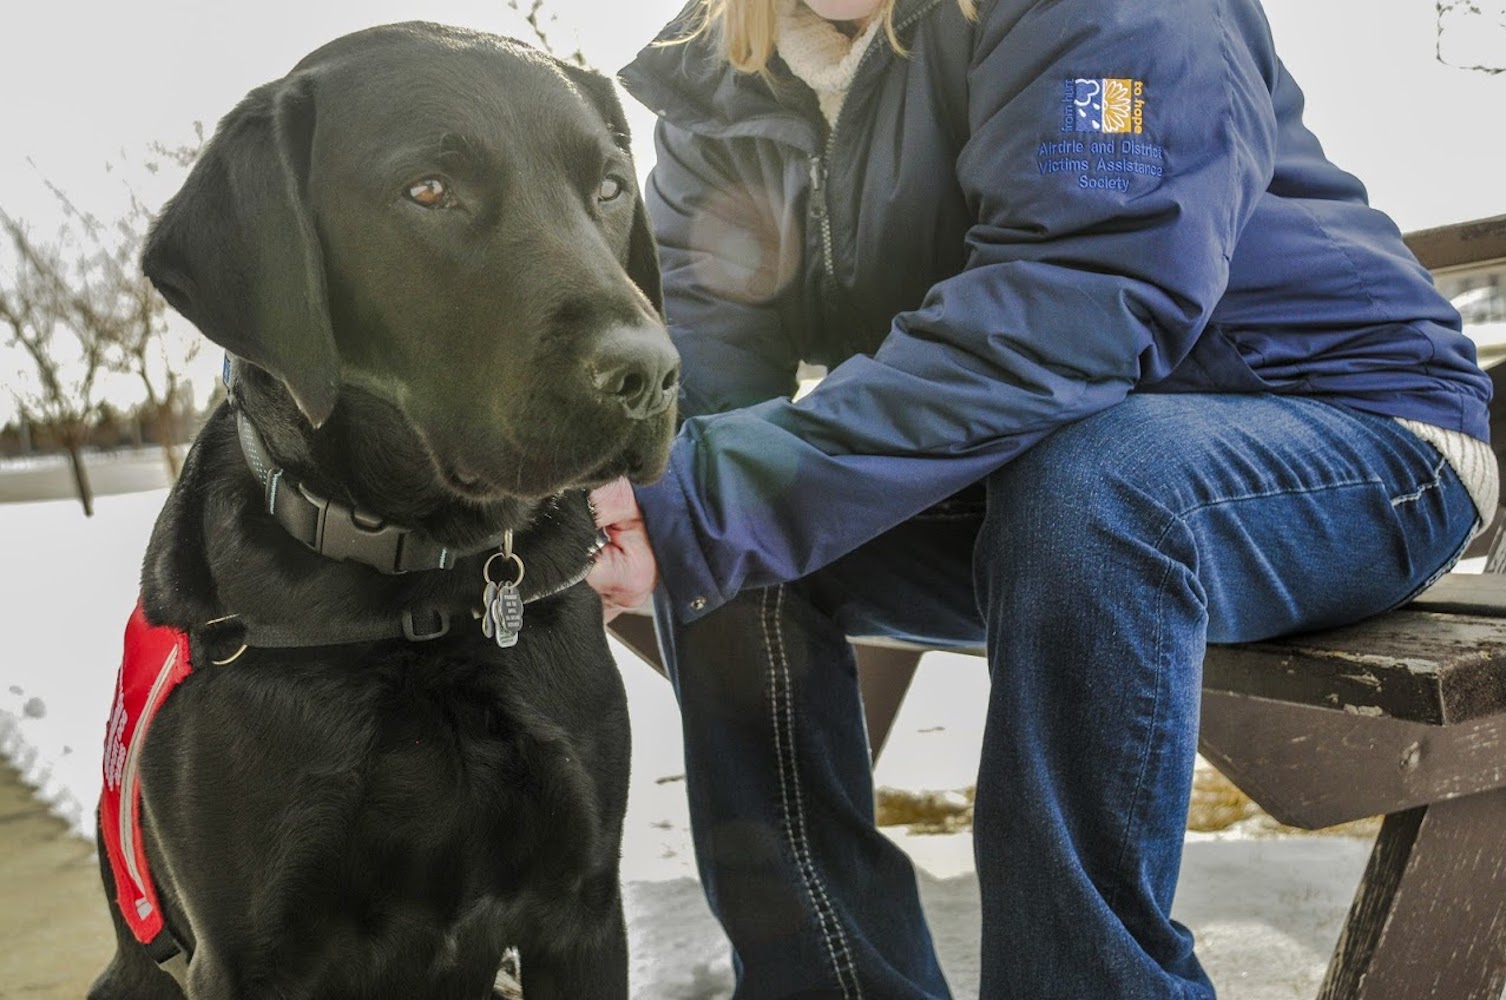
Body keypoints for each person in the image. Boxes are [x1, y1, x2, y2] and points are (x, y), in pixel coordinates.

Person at [587, 0, 1498, 996]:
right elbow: (713, 388)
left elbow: (1088, 296)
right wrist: (649, 505)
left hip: (1360, 441)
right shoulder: (712, 77)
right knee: (718, 533)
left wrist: (712, 492)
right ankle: (833, 980)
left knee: (1096, 481)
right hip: (1048, 459)